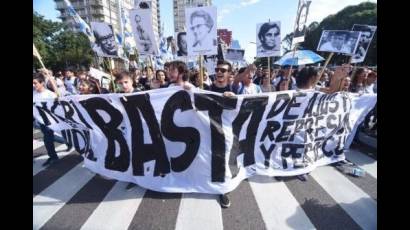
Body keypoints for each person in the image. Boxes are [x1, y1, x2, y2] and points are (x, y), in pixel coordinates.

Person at [33, 72, 60, 167]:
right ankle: (53, 155)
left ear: (42, 83)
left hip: (49, 122)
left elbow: (59, 106)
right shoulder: (34, 94)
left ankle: (53, 157)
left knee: (48, 140)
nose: (33, 85)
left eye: (35, 83)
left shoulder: (50, 95)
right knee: (48, 139)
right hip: (39, 121)